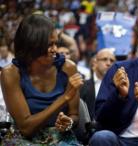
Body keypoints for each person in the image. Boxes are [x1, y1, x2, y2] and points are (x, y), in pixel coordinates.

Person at [0, 14, 83, 145]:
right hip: (23, 139)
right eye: (50, 44)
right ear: (32, 44)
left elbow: (74, 115)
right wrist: (64, 98)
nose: (55, 49)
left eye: (56, 43)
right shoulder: (11, 73)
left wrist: (69, 122)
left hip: (60, 137)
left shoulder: (68, 68)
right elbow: (26, 128)